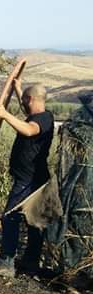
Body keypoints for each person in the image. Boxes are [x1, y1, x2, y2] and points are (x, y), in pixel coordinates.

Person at [0, 80, 55, 276]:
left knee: (9, 218)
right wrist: (19, 88)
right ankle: (30, 263)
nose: (23, 104)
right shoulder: (37, 115)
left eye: (25, 100)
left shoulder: (43, 119)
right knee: (33, 222)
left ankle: (6, 265)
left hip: (28, 180)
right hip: (31, 178)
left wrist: (4, 114)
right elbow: (26, 110)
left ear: (31, 99)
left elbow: (29, 130)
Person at [46, 90, 93, 274]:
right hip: (80, 184)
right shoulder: (78, 124)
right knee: (77, 223)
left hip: (80, 185)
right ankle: (75, 270)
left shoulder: (77, 124)